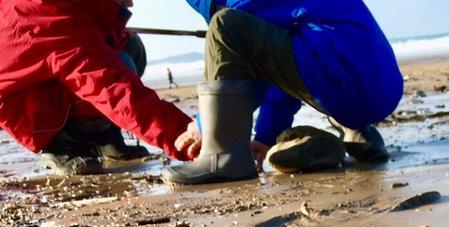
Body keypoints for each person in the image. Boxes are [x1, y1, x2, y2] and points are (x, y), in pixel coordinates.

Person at [164, 0, 403, 185]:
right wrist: (266, 137)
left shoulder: (238, 5)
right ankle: (360, 133)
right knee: (312, 41)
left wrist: (205, 124)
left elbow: (254, 71)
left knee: (224, 25)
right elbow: (279, 65)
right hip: (380, 88)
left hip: (340, 78)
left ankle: (223, 157)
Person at [0, 0, 198, 176]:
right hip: (24, 108)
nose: (132, 4)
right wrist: (180, 133)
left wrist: (113, 27)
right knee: (119, 66)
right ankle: (61, 145)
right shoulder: (48, 14)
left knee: (131, 46)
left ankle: (102, 137)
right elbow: (112, 88)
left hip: (44, 86)